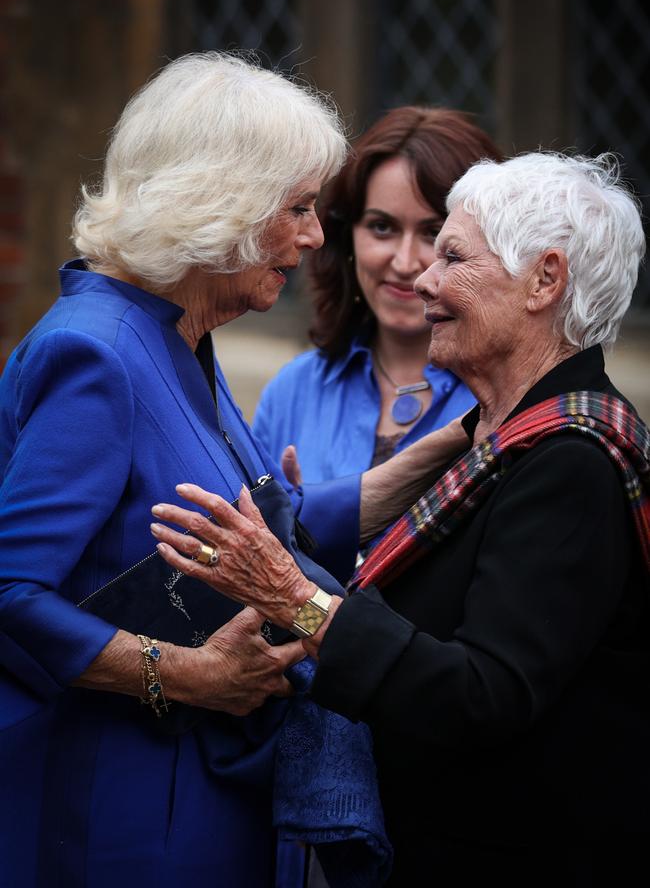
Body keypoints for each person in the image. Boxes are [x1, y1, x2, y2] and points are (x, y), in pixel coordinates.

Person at [0, 52, 468, 887]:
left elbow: (249, 529)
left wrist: (436, 464)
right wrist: (187, 675)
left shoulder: (179, 333)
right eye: (296, 209)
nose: (316, 237)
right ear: (218, 206)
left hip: (209, 795)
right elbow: (9, 591)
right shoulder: (97, 353)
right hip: (127, 811)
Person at [153, 151, 650, 887]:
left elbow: (482, 695)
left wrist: (298, 598)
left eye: (451, 254)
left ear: (545, 280)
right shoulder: (505, 438)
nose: (422, 279)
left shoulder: (570, 464)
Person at [253, 106, 502, 484]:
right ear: (346, 236)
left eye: (434, 233)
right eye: (382, 227)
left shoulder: (507, 399)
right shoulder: (293, 392)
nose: (404, 263)